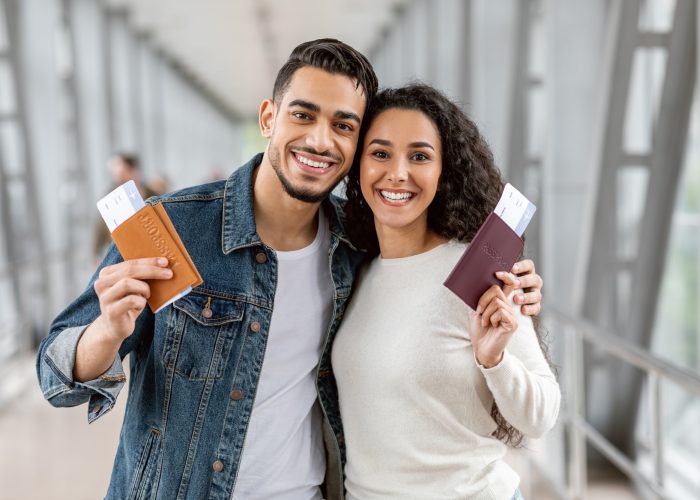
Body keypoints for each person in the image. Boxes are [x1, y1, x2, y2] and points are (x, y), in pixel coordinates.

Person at [36, 40, 544, 500]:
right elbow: (55, 375)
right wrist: (105, 333)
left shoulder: (358, 249)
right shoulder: (174, 227)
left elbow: (423, 288)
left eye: (344, 125)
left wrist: (513, 289)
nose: (321, 141)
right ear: (268, 118)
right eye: (303, 116)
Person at [333, 84, 560, 499]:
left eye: (419, 156)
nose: (398, 173)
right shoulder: (351, 272)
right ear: (358, 166)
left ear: (444, 173)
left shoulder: (477, 273)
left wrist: (494, 360)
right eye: (380, 153)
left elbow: (541, 415)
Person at [93, 153, 157, 259]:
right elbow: (101, 227)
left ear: (133, 171)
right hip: (121, 255)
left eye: (122, 173)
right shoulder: (109, 200)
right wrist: (96, 252)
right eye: (116, 174)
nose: (118, 178)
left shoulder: (153, 195)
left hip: (150, 251)